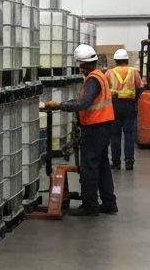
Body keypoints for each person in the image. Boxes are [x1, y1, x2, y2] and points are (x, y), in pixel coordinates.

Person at [42, 43, 117, 217]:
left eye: (81, 66)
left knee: (89, 167)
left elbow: (84, 103)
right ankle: (109, 203)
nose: (80, 69)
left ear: (83, 64)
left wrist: (60, 105)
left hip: (94, 128)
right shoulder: (100, 75)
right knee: (103, 165)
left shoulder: (93, 79)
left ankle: (90, 206)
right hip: (104, 126)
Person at [106, 48, 143, 171]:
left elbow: (105, 90)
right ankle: (129, 162)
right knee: (129, 134)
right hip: (129, 105)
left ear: (115, 60)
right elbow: (140, 88)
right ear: (126, 60)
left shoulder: (109, 73)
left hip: (114, 106)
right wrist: (135, 100)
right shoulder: (134, 72)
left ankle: (116, 163)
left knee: (115, 135)